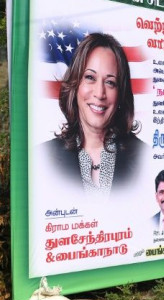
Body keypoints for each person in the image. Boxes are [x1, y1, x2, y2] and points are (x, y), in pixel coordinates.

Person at [45, 33, 144, 198]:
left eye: (110, 82)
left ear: (120, 94)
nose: (99, 93)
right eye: (90, 77)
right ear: (75, 85)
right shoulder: (41, 158)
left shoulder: (145, 157)